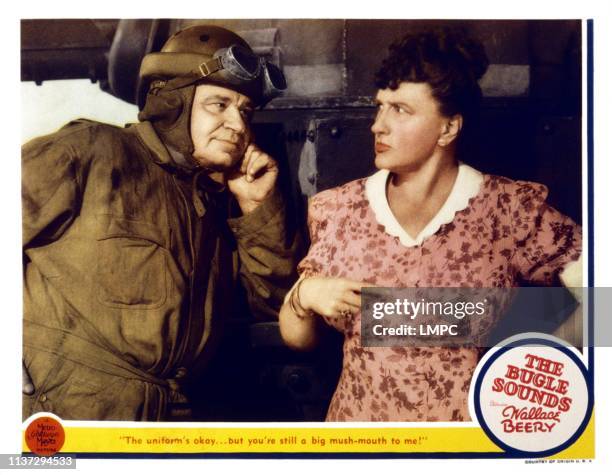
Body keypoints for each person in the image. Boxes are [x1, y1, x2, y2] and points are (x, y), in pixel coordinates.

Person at [279, 27, 582, 422]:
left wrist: (536, 367)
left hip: (471, 446)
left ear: (448, 128)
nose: (378, 125)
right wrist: (305, 296)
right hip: (362, 442)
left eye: (400, 110)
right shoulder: (339, 209)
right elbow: (297, 339)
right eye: (380, 106)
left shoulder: (508, 209)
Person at [22, 24, 299, 421]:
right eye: (219, 105)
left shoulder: (213, 203)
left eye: (245, 111)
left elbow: (278, 309)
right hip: (70, 413)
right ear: (172, 102)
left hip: (169, 418)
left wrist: (257, 210)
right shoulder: (92, 152)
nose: (238, 125)